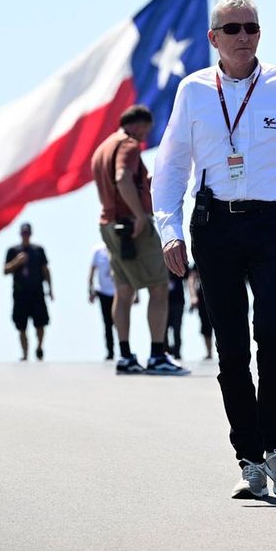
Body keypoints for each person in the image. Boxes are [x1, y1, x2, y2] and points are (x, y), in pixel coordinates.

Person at [153, 0, 276, 499]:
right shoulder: (192, 91)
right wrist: (170, 230)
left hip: (274, 223)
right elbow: (170, 167)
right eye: (232, 28)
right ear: (214, 38)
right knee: (231, 346)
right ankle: (249, 458)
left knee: (273, 337)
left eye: (251, 27)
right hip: (215, 225)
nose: (243, 36)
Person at [90, 104, 189, 376]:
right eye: (146, 129)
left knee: (123, 292)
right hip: (132, 226)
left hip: (110, 225)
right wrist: (140, 216)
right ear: (137, 124)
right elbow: (122, 178)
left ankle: (125, 356)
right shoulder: (128, 146)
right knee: (159, 287)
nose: (146, 136)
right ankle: (158, 355)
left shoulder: (103, 148)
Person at [4, 222, 52, 361]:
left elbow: (45, 270)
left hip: (37, 292)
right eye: (24, 233)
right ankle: (25, 353)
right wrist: (16, 262)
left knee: (40, 324)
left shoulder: (38, 250)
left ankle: (39, 347)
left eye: (28, 233)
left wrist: (50, 288)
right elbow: (5, 270)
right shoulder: (13, 251)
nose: (26, 235)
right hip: (20, 294)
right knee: (21, 326)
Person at [88, 242, 117, 360]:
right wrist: (90, 290)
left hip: (118, 292)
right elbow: (92, 270)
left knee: (120, 322)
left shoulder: (118, 246)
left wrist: (136, 293)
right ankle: (110, 351)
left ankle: (125, 350)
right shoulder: (97, 251)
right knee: (107, 324)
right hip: (103, 292)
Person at [188, 264, 214, 360]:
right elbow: (191, 279)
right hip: (203, 297)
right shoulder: (199, 258)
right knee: (206, 326)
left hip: (221, 295)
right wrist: (193, 297)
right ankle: (209, 352)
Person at [166, 266, 189, 359]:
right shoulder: (159, 262)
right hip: (163, 302)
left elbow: (187, 275)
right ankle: (165, 352)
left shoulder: (178, 259)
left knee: (177, 328)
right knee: (163, 329)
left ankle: (177, 353)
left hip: (178, 301)